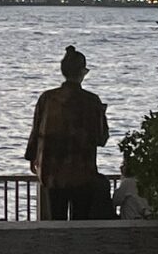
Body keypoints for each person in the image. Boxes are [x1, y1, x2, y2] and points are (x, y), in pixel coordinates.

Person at [25, 45, 109, 220]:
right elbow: (101, 138)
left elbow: (36, 131)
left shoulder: (47, 99)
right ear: (83, 72)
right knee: (81, 221)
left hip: (53, 172)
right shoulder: (91, 101)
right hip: (83, 172)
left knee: (56, 219)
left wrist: (32, 156)